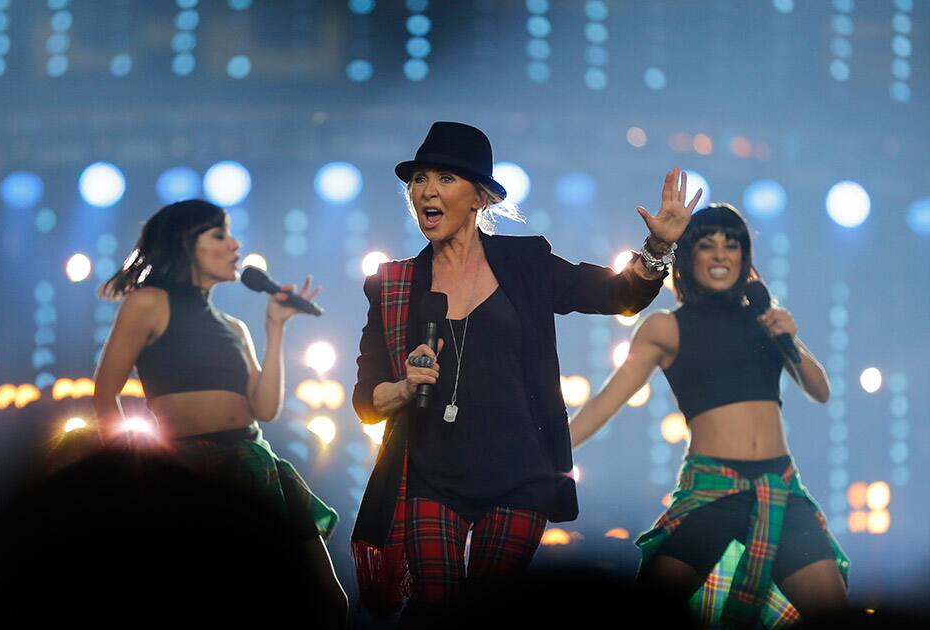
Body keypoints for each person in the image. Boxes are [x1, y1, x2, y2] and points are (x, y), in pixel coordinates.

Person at [350, 121, 700, 622]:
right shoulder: (392, 284)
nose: (427, 190)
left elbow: (618, 294)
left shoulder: (526, 262)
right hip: (431, 477)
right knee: (436, 609)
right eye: (419, 178)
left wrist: (658, 246)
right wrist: (406, 386)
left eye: (446, 178)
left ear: (479, 197)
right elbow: (367, 401)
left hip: (520, 476)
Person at [569, 203, 849, 626]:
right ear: (689, 257)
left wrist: (790, 337)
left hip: (780, 490)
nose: (720, 254)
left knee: (834, 609)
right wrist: (552, 450)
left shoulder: (765, 320)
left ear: (744, 257)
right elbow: (608, 400)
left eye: (731, 245)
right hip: (711, 491)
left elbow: (821, 390)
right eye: (707, 245)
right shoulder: (666, 327)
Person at [92, 199, 346, 624]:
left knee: (326, 600)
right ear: (187, 243)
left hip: (255, 463)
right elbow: (104, 395)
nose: (235, 245)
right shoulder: (149, 303)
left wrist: (275, 329)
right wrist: (127, 473)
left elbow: (265, 408)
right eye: (220, 235)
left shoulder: (234, 327)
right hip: (188, 470)